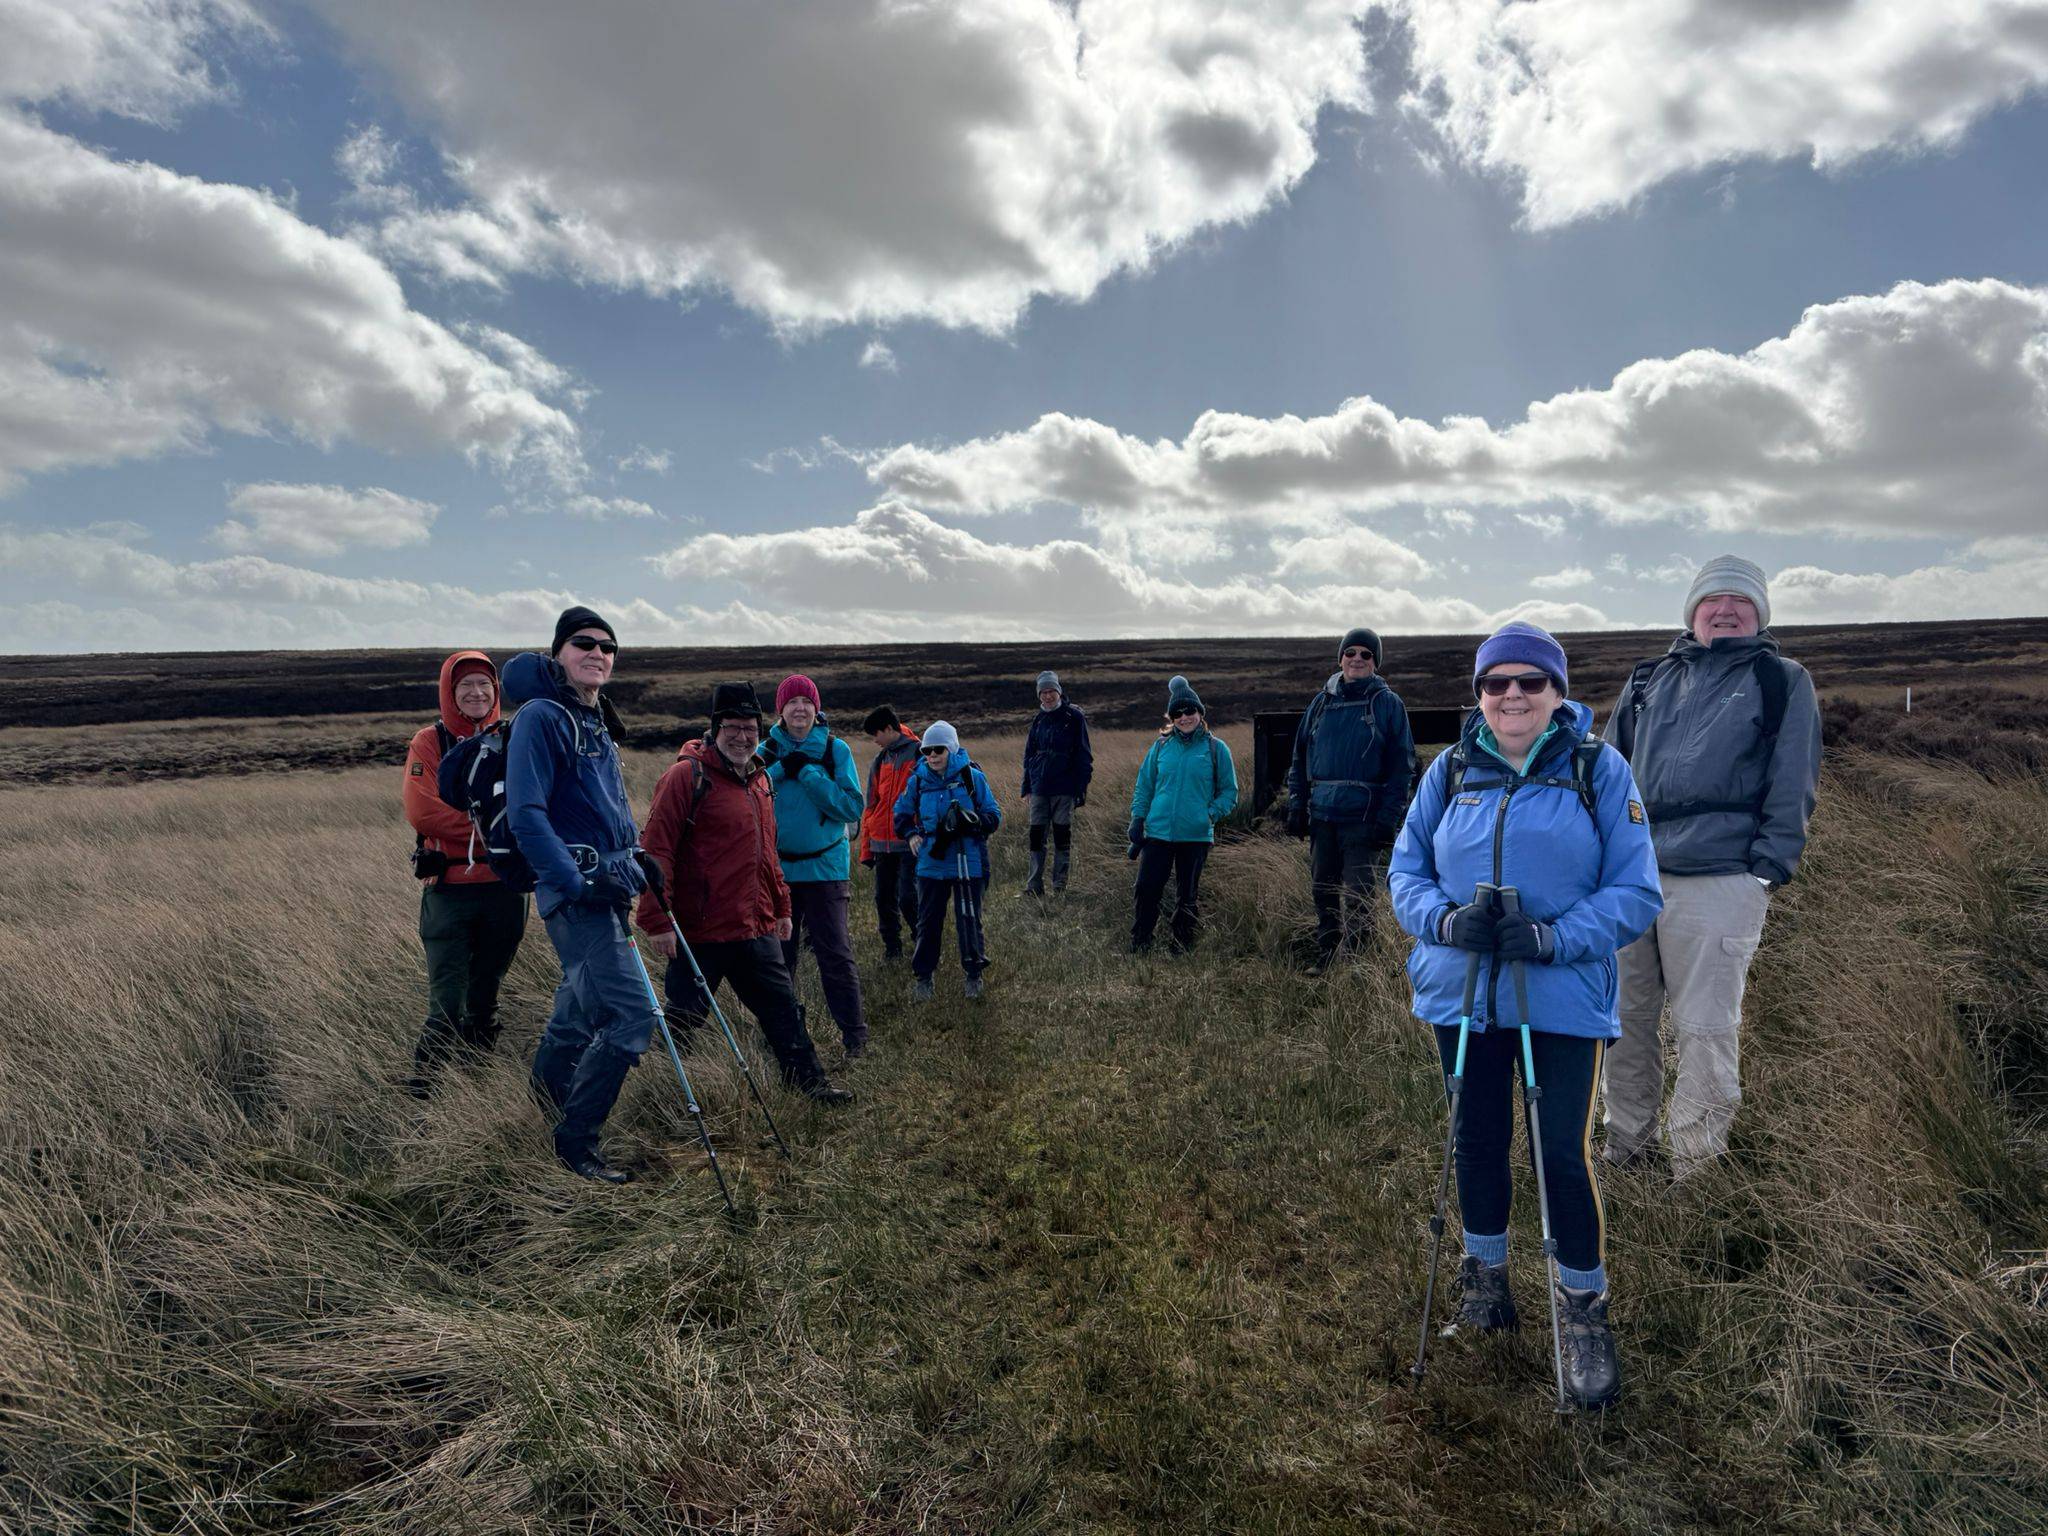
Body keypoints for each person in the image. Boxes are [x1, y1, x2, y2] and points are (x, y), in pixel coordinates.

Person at [1389, 621, 1662, 1410]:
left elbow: (1636, 890)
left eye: (1530, 682)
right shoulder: (1448, 771)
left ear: (1557, 691)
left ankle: (1582, 1315)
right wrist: (1445, 923)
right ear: (1478, 694)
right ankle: (1486, 1284)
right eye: (1496, 682)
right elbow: (1406, 870)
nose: (1512, 695)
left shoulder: (1598, 769)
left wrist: (1551, 937)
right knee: (1473, 1137)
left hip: (1561, 998)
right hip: (1463, 991)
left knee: (1560, 1157)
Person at [1600, 556, 1822, 1180]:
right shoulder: (1646, 681)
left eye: (1741, 602)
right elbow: (1610, 774)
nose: (1725, 611)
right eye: (1712, 601)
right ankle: (1626, 1152)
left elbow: (1793, 781)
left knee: (1704, 1029)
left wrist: (1765, 871)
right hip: (1631, 881)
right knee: (1624, 1022)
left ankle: (1694, 1169)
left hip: (1722, 879)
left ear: (1760, 615)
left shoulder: (1782, 680)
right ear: (1692, 611)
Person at [634, 684, 851, 1103]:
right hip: (700, 932)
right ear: (714, 729)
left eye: (750, 728)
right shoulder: (685, 777)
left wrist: (782, 905)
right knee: (684, 1017)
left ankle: (810, 1085)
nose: (742, 736)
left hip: (754, 925)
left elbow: (766, 852)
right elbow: (656, 850)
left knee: (784, 1012)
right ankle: (663, 1091)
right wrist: (658, 920)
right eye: (731, 727)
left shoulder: (759, 778)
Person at [507, 607, 654, 1184]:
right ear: (558, 654)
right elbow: (525, 815)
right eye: (583, 643)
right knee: (631, 1016)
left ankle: (542, 1109)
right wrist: (580, 881)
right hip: (578, 897)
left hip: (608, 889)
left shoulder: (591, 721)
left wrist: (639, 857)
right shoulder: (543, 717)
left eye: (608, 647)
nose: (598, 653)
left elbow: (604, 812)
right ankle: (576, 1143)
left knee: (575, 1011)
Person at [401, 650, 528, 1096]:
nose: (476, 693)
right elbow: (423, 812)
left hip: (504, 892)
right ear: (449, 693)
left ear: (496, 693)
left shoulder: (513, 738)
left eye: (485, 686)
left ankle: (477, 1091)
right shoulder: (429, 742)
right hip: (449, 894)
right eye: (465, 686)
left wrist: (500, 825)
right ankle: (424, 1094)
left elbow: (533, 802)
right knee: (447, 1007)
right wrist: (495, 825)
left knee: (484, 1001)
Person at [1284, 627, 1415, 969]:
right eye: (1350, 652)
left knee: (1359, 896)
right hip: (1322, 815)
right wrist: (1296, 805)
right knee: (1323, 891)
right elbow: (1299, 758)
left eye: (1366, 654)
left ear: (1375, 662)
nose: (1356, 659)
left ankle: (1357, 965)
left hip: (1364, 819)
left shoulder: (1387, 704)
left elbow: (1402, 768)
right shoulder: (1321, 703)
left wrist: (1388, 820)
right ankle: (1327, 955)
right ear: (1340, 657)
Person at [759, 675, 868, 1059]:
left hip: (826, 872)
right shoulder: (765, 751)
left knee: (835, 956)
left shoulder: (835, 751)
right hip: (778, 875)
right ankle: (783, 1038)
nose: (800, 708)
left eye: (807, 701)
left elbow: (852, 808)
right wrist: (777, 770)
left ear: (817, 708)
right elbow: (745, 798)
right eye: (792, 702)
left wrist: (806, 772)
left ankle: (855, 1038)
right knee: (777, 963)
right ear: (781, 710)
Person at [1127, 676, 1237, 953]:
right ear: (1171, 717)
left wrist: (1208, 815)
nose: (1184, 717)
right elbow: (1144, 786)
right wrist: (1138, 819)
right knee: (1146, 888)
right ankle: (1141, 942)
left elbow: (1229, 792)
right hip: (1158, 832)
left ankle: (1181, 945)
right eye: (1178, 713)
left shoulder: (1216, 749)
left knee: (1186, 895)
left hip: (1196, 835)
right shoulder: (1161, 747)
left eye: (1190, 711)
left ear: (1200, 713)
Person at [893, 721, 1002, 1000]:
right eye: (926, 750)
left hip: (969, 861)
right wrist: (911, 835)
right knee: (928, 922)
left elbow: (993, 815)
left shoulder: (972, 778)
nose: (931, 755)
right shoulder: (917, 780)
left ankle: (974, 974)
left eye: (937, 749)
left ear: (951, 749)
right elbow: (901, 814)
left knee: (969, 919)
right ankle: (923, 977)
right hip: (931, 861)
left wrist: (973, 822)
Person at [1020, 669, 1093, 896]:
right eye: (1044, 692)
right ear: (1039, 695)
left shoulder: (1074, 718)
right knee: (1036, 839)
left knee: (1062, 839)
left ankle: (1059, 887)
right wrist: (1027, 787)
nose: (1048, 696)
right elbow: (1029, 755)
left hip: (1065, 789)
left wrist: (1080, 788)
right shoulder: (1038, 719)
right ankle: (1034, 887)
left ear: (1059, 692)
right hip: (1039, 789)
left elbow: (1084, 756)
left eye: (1052, 691)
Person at [859, 705, 922, 961]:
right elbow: (871, 806)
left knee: (909, 897)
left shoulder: (919, 753)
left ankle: (923, 940)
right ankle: (892, 948)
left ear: (888, 729)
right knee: (883, 898)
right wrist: (867, 847)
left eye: (876, 734)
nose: (874, 740)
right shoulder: (880, 760)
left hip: (910, 842)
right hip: (881, 844)